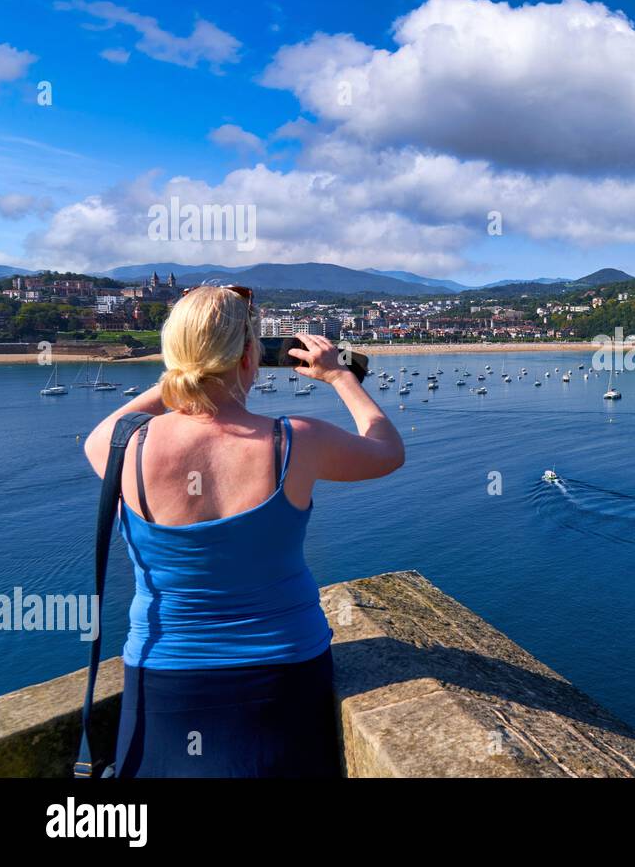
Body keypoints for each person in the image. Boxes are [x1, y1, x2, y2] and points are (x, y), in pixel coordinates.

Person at [83, 285, 404, 777]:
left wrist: (183, 370)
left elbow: (130, 419)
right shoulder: (295, 441)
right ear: (252, 355)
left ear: (172, 358)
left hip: (162, 675)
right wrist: (340, 375)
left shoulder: (118, 445)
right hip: (284, 672)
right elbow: (386, 449)